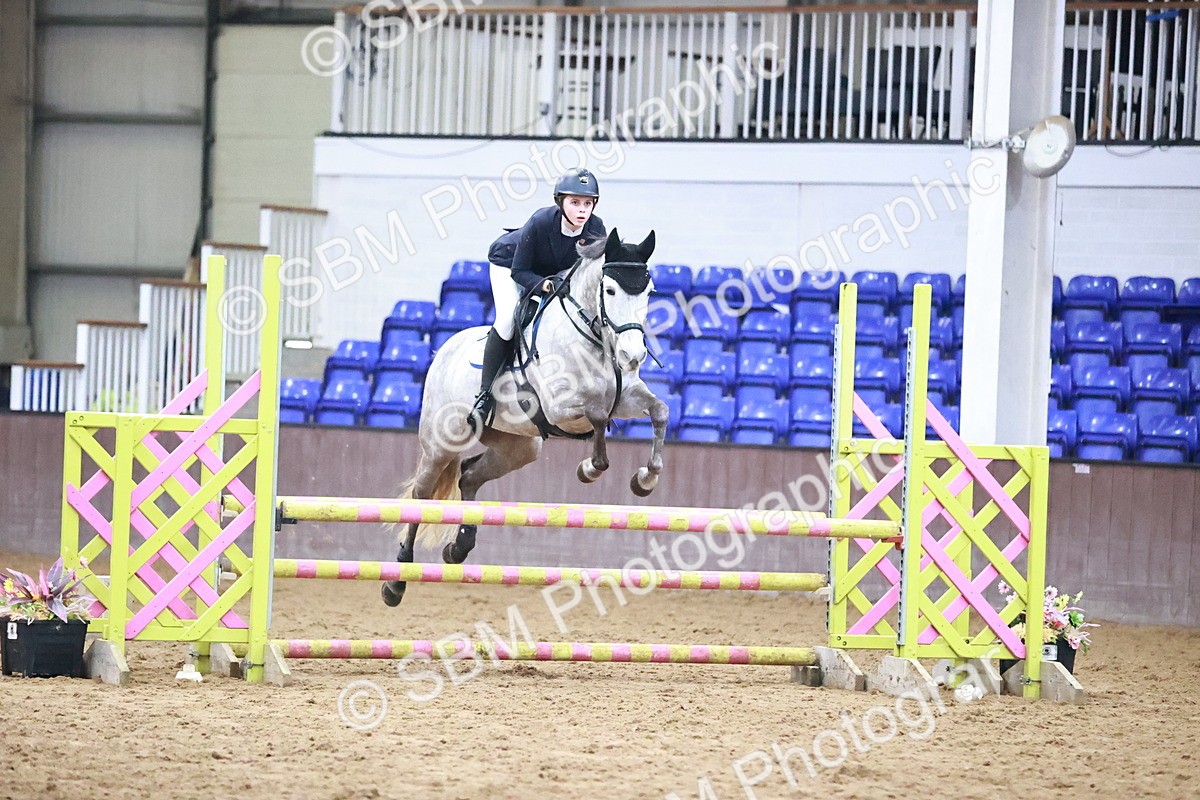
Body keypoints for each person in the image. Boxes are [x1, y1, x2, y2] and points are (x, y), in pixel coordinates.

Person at [471, 167, 607, 425]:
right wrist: (544, 285)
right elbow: (519, 271)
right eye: (575, 202)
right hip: (509, 264)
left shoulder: (596, 228)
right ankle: (485, 396)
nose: (582, 210)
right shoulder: (541, 221)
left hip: (553, 274)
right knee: (508, 319)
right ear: (560, 202)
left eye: (588, 204)